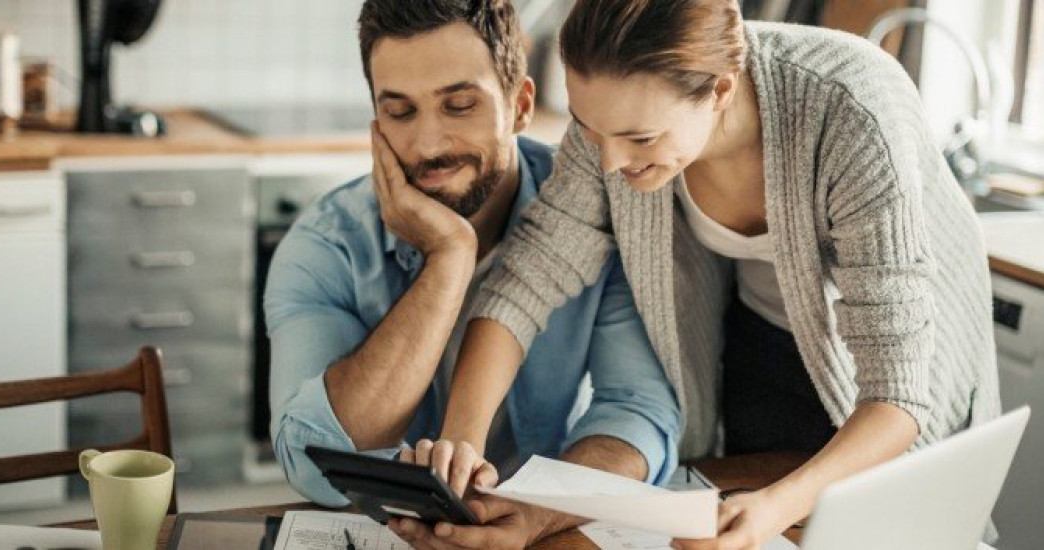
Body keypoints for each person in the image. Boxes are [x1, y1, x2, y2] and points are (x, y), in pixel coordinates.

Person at [423, 1, 1002, 549]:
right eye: (589, 129)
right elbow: (530, 276)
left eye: (640, 139)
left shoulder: (851, 111)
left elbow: (897, 395)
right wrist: (462, 445)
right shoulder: (615, 118)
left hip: (897, 375)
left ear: (721, 89)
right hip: (764, 341)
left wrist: (774, 507)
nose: (609, 162)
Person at [265, 1, 681, 547]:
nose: (429, 145)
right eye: (400, 112)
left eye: (459, 106)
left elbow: (637, 414)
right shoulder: (326, 245)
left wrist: (538, 511)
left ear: (521, 105)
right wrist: (450, 258)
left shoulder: (598, 216)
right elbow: (311, 458)